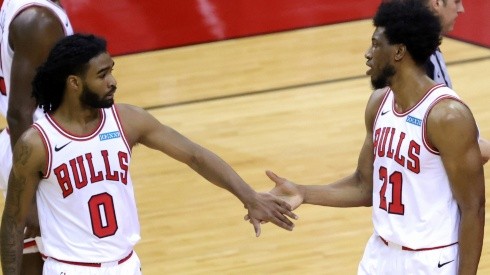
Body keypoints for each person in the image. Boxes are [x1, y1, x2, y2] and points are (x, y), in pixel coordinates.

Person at [0, 33, 297, 274]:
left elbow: (194, 155)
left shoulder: (128, 120)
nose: (113, 81)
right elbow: (13, 221)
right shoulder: (38, 143)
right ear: (74, 83)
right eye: (102, 75)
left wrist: (249, 196)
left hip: (127, 265)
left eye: (111, 71)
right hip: (70, 268)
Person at [258, 0, 485, 274]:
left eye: (376, 45)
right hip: (379, 255)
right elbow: (366, 186)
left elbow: (473, 207)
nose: (367, 54)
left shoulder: (446, 116)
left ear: (399, 51)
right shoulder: (379, 104)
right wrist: (304, 192)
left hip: (430, 260)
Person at [0, 0, 73, 274]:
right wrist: (27, 199)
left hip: (29, 146)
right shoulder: (39, 20)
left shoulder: (23, 7)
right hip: (42, 155)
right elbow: (19, 112)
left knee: (34, 258)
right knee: (80, 260)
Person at [422, 0, 490, 163]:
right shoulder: (419, 61)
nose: (462, 9)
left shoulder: (429, 46)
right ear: (437, 3)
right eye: (457, 2)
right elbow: (452, 147)